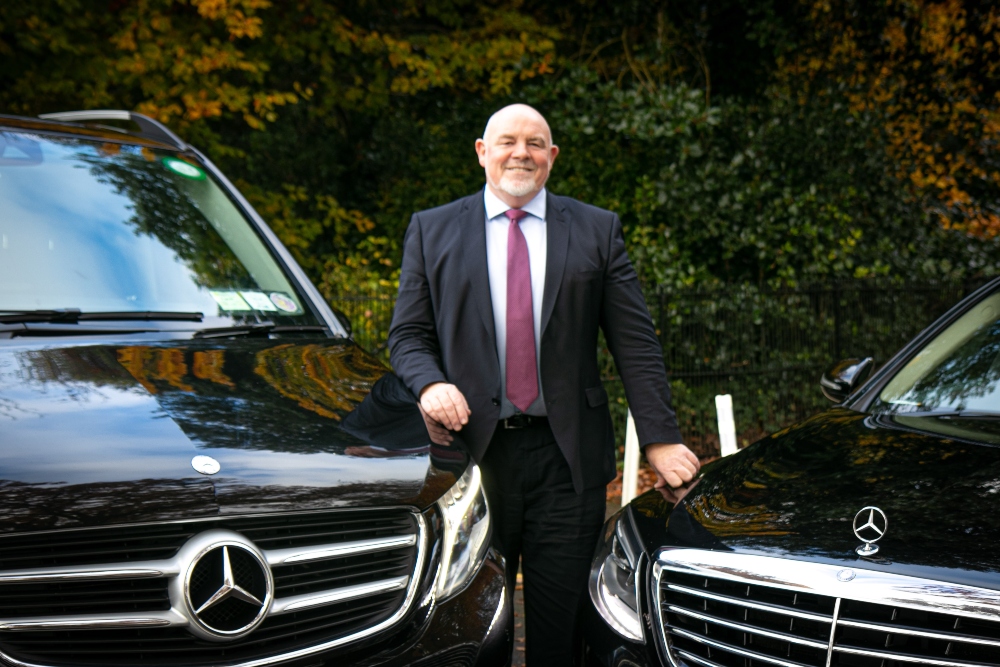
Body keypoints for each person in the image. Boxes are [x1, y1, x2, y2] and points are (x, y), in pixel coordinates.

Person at [388, 103, 700, 665]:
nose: (521, 153)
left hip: (568, 461)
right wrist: (430, 383)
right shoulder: (431, 230)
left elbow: (635, 343)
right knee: (472, 627)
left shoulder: (596, 229)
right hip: (471, 462)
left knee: (562, 632)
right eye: (507, 141)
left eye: (535, 143)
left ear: (551, 157)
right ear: (482, 152)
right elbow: (407, 336)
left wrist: (659, 437)